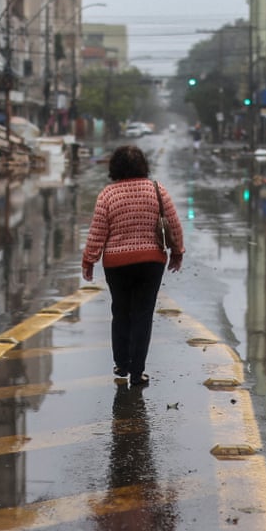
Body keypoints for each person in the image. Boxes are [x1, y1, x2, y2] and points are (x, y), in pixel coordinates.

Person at [82, 145, 184, 386]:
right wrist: (177, 252)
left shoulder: (108, 195)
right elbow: (174, 225)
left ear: (114, 167)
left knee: (121, 311)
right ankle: (138, 372)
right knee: (143, 315)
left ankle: (122, 364)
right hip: (151, 263)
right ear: (143, 166)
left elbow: (97, 232)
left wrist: (89, 260)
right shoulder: (158, 191)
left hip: (117, 265)